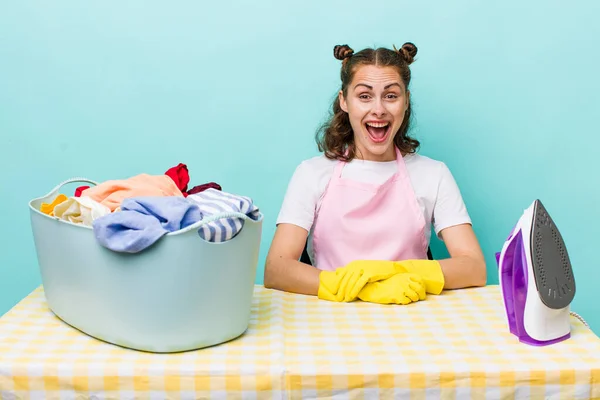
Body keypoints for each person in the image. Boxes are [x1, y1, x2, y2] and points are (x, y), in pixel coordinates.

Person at [264, 42, 486, 304]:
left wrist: (394, 271)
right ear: (344, 101)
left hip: (413, 316)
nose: (379, 109)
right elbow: (276, 269)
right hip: (330, 318)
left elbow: (474, 268)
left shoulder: (433, 174)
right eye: (365, 96)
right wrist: (363, 288)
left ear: (406, 101)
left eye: (391, 95)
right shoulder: (311, 174)